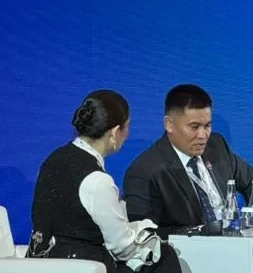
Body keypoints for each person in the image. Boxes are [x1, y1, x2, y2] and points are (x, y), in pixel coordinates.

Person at [26, 90, 181, 273]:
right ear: (114, 132)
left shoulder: (53, 159)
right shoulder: (98, 180)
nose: (127, 134)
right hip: (84, 266)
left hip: (39, 264)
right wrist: (148, 240)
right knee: (165, 256)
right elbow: (122, 248)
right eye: (127, 127)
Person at [123, 84, 253, 236]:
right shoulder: (145, 171)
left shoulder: (217, 145)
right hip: (187, 247)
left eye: (207, 126)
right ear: (169, 124)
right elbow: (145, 233)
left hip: (234, 241)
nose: (203, 135)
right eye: (194, 127)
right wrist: (199, 232)